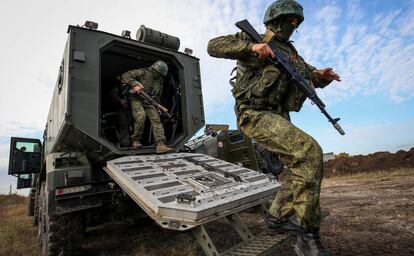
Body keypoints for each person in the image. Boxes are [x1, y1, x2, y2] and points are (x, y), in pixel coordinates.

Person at [207, 0, 340, 255]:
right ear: (276, 19)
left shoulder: (290, 52)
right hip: (254, 114)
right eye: (290, 19)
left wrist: (321, 76)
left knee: (302, 164)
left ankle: (277, 216)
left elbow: (305, 75)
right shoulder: (255, 37)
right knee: (310, 152)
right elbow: (214, 46)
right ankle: (306, 234)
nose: (294, 24)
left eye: (297, 22)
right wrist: (251, 47)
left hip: (279, 116)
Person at [121, 60, 174, 154]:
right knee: (141, 116)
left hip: (149, 101)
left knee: (156, 120)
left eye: (160, 74)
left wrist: (157, 106)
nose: (159, 76)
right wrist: (135, 84)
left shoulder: (160, 80)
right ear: (153, 69)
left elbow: (158, 95)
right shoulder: (143, 72)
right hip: (136, 98)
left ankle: (160, 144)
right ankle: (136, 140)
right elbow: (125, 75)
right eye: (158, 73)